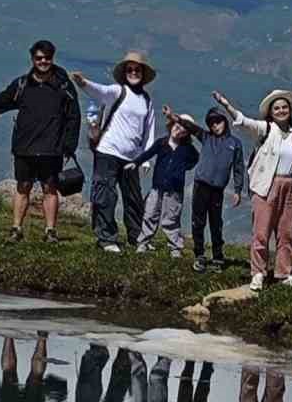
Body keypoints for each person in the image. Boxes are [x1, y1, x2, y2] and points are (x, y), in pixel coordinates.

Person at [0, 39, 82, 243]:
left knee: (50, 189)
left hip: (52, 148)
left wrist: (69, 145)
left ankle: (50, 231)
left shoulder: (63, 86)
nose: (43, 61)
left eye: (47, 58)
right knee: (23, 187)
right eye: (39, 58)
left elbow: (74, 117)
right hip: (25, 147)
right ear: (32, 59)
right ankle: (16, 229)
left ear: (52, 58)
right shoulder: (22, 85)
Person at [211, 88, 292, 292]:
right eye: (277, 108)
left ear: (290, 110)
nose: (281, 110)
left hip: (289, 185)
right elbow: (244, 121)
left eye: (284, 107)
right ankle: (258, 272)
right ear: (270, 112)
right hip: (266, 185)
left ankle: (284, 272)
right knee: (261, 231)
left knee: (287, 232)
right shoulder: (265, 129)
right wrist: (226, 105)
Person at [75, 52, 157, 253]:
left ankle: (137, 237)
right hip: (108, 152)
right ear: (124, 73)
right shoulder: (117, 91)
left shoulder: (146, 101)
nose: (133, 72)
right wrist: (83, 82)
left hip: (132, 158)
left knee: (133, 198)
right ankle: (106, 238)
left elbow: (149, 131)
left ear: (143, 73)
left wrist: (146, 159)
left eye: (137, 70)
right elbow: (98, 91)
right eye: (130, 69)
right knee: (106, 195)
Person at [178, 107, 245, 273]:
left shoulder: (235, 143)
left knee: (216, 223)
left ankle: (217, 256)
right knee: (198, 222)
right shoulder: (206, 137)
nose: (215, 126)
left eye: (218, 121)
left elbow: (238, 168)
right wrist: (174, 117)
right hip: (201, 185)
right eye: (211, 123)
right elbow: (192, 128)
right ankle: (199, 255)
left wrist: (238, 190)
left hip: (217, 189)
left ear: (225, 121)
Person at [130, 111, 200, 256]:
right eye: (177, 125)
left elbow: (195, 159)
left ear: (187, 134)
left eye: (183, 129)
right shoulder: (161, 143)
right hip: (157, 187)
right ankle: (143, 242)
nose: (179, 129)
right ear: (172, 124)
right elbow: (147, 154)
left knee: (171, 219)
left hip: (175, 190)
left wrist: (183, 168)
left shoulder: (188, 150)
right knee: (150, 214)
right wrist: (136, 163)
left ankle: (175, 247)